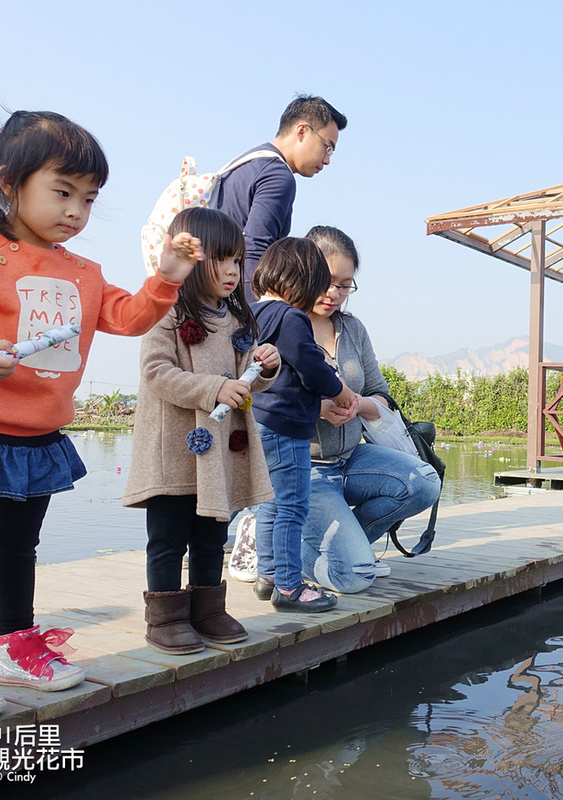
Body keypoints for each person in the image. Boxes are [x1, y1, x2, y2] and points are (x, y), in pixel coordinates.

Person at [0, 110, 202, 722]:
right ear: (9, 183)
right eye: (62, 192)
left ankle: (16, 644)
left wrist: (167, 277)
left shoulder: (83, 273)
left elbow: (130, 317)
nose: (75, 212)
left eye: (87, 199)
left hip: (39, 437)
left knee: (21, 548)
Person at [247, 226, 443, 597]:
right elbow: (259, 395)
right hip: (304, 466)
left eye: (345, 285)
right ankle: (281, 555)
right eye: (328, 281)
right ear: (303, 272)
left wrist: (357, 405)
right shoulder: (277, 321)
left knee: (423, 481)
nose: (335, 293)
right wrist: (321, 406)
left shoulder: (353, 330)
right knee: (353, 577)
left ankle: (342, 546)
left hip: (352, 457)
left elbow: (380, 396)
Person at [122, 208, 281, 653]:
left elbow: (245, 378)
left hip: (219, 452)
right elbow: (156, 372)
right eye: (222, 260)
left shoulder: (235, 319)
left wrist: (264, 367)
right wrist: (215, 388)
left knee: (212, 533)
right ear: (191, 261)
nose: (233, 272)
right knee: (168, 537)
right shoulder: (166, 310)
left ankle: (207, 609)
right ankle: (166, 618)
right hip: (174, 447)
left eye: (237, 261)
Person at [250, 238, 357, 612]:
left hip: (259, 420)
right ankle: (290, 587)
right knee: (293, 507)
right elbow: (308, 362)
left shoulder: (254, 313)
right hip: (287, 426)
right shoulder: (290, 316)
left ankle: (268, 576)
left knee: (271, 504)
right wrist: (338, 389)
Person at [217, 95, 348, 287]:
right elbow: (254, 251)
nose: (327, 160)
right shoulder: (278, 176)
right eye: (327, 147)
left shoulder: (246, 162)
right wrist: (256, 313)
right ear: (302, 131)